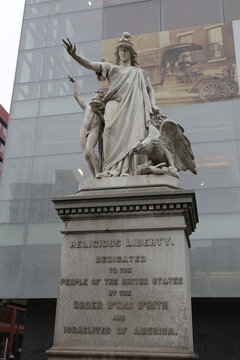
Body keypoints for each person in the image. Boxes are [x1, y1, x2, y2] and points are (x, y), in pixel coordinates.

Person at [63, 32, 159, 177]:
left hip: (133, 107)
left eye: (126, 50)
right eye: (121, 50)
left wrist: (153, 104)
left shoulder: (139, 73)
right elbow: (90, 64)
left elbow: (150, 90)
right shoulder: (111, 69)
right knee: (107, 133)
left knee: (135, 136)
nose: (123, 53)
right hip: (113, 105)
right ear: (117, 53)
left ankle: (128, 169)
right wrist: (75, 56)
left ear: (131, 54)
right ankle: (109, 169)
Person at [68, 76, 104, 178]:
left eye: (98, 96)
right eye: (94, 95)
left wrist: (99, 113)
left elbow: (107, 122)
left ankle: (98, 172)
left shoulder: (102, 110)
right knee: (85, 155)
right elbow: (76, 96)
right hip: (84, 129)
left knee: (89, 149)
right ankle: (92, 176)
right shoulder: (87, 106)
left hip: (95, 128)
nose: (95, 96)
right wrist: (74, 83)